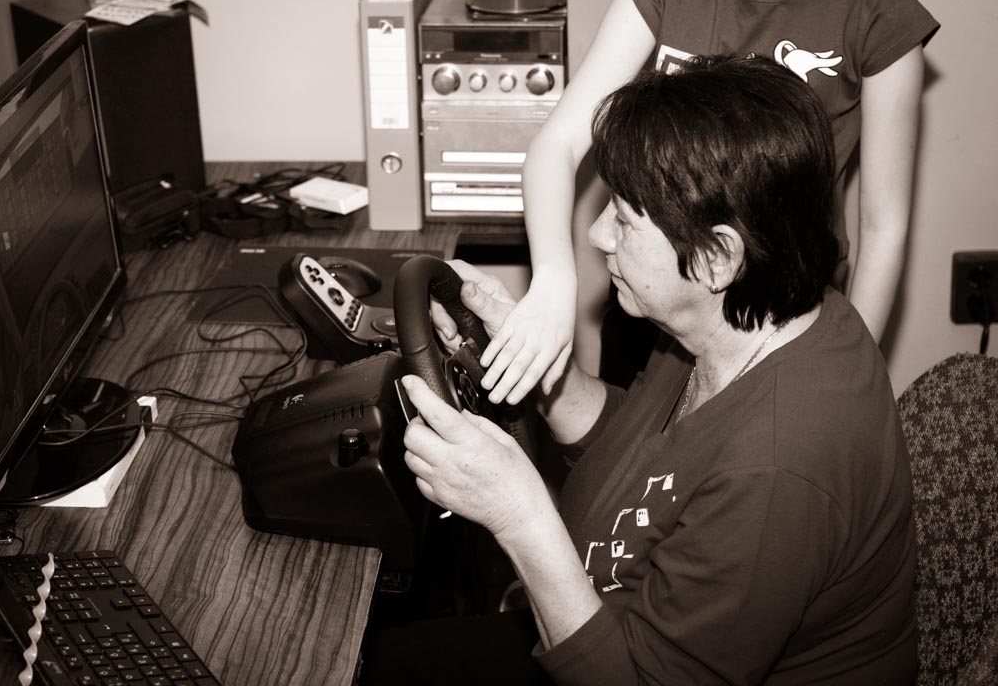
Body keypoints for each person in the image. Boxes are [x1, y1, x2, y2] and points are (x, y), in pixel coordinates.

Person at [388, 55, 917, 684]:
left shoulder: (779, 468)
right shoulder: (735, 319)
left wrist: (517, 513)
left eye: (623, 217)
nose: (595, 234)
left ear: (716, 257)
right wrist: (536, 365)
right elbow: (651, 457)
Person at [471, 0, 939, 407]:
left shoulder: (874, 4)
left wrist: (845, 374)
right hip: (653, 299)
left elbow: (883, 227)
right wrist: (553, 280)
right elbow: (557, 144)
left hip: (778, 315)